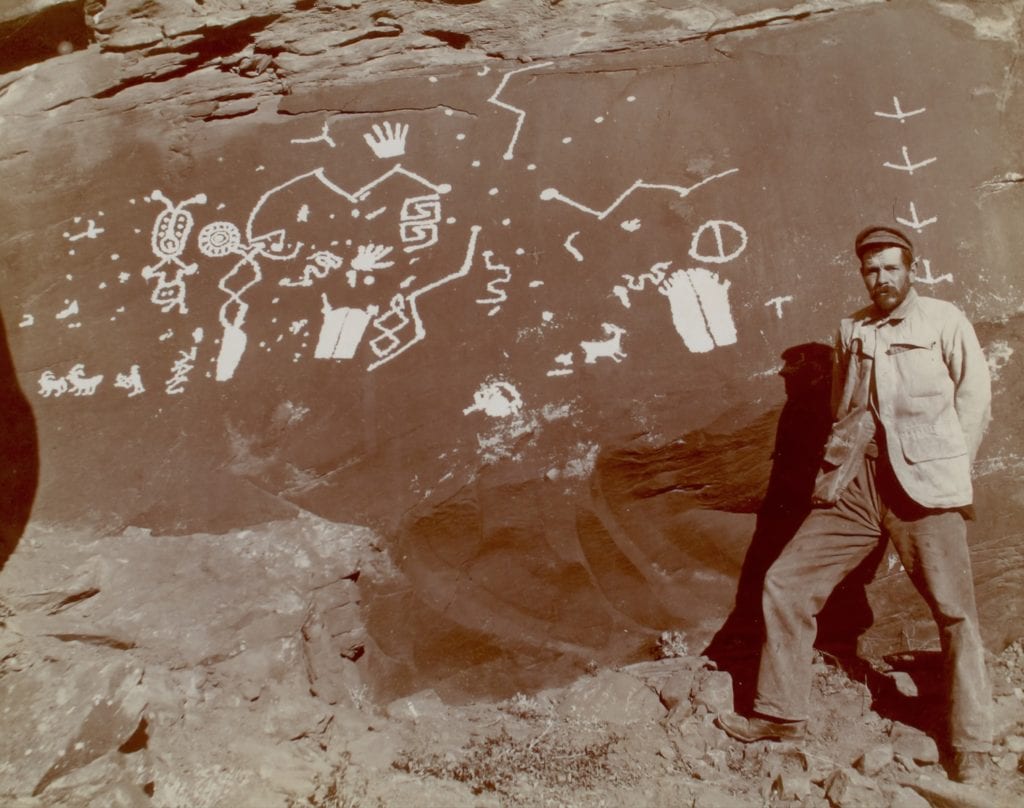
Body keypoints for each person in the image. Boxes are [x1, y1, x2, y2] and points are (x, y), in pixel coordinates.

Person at [716, 225, 993, 785]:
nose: (881, 278)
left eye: (891, 267)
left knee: (955, 612)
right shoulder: (852, 328)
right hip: (857, 485)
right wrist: (840, 464)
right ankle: (781, 714)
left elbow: (975, 396)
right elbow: (847, 401)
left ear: (910, 268)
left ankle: (973, 744)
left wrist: (951, 471)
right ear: (862, 274)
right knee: (786, 582)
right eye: (871, 270)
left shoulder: (944, 320)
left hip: (925, 486)